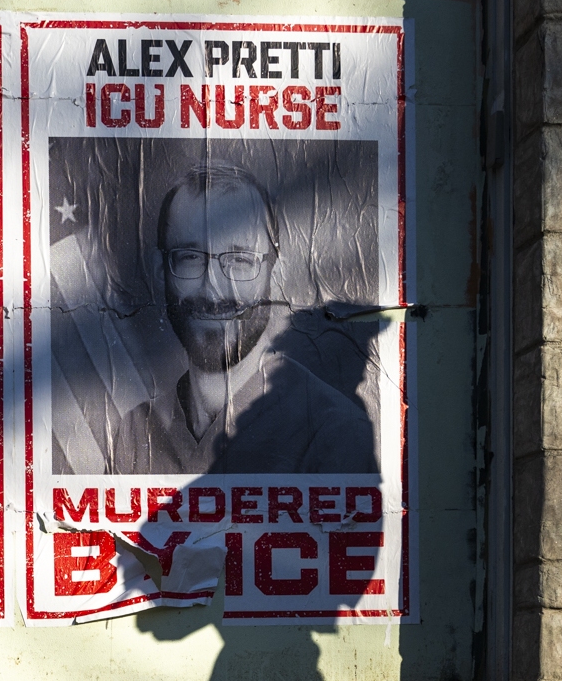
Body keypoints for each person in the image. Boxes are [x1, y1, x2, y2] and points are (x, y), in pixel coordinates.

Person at [110, 164, 377, 476]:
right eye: (190, 257)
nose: (213, 289)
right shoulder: (135, 430)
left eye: (240, 261)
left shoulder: (332, 431)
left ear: (275, 274)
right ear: (161, 272)